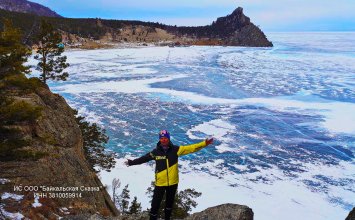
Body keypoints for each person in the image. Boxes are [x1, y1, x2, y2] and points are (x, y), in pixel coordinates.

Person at [124, 130, 214, 220]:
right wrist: (131, 162)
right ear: (159, 140)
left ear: (168, 138)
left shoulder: (176, 150)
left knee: (169, 205)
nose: (163, 140)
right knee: (155, 205)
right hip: (160, 183)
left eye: (165, 138)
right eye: (162, 138)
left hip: (173, 183)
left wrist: (204, 143)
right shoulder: (155, 152)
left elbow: (191, 148)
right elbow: (144, 159)